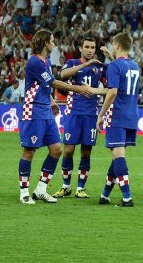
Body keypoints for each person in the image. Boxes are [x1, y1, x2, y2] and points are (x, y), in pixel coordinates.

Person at [18, 29, 95, 204]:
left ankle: (41, 189)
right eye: (52, 40)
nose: (54, 43)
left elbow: (43, 85)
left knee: (57, 149)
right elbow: (52, 82)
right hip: (33, 110)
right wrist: (78, 89)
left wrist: (52, 100)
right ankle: (24, 192)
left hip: (45, 110)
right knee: (29, 151)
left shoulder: (45, 61)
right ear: (46, 43)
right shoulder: (35, 62)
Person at [53, 34, 106, 199]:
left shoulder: (100, 67)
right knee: (68, 150)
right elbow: (62, 75)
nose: (90, 50)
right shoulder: (72, 63)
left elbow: (112, 85)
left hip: (91, 114)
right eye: (87, 47)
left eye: (92, 48)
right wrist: (87, 64)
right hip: (73, 112)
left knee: (86, 152)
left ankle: (81, 188)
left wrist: (109, 56)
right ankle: (66, 186)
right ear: (81, 48)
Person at [96, 32, 140, 207]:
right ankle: (105, 195)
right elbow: (122, 68)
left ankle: (127, 197)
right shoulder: (135, 66)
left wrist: (101, 114)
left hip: (117, 115)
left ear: (118, 46)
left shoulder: (114, 66)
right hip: (132, 115)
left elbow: (112, 92)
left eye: (114, 45)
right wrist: (111, 57)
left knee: (118, 156)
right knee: (117, 155)